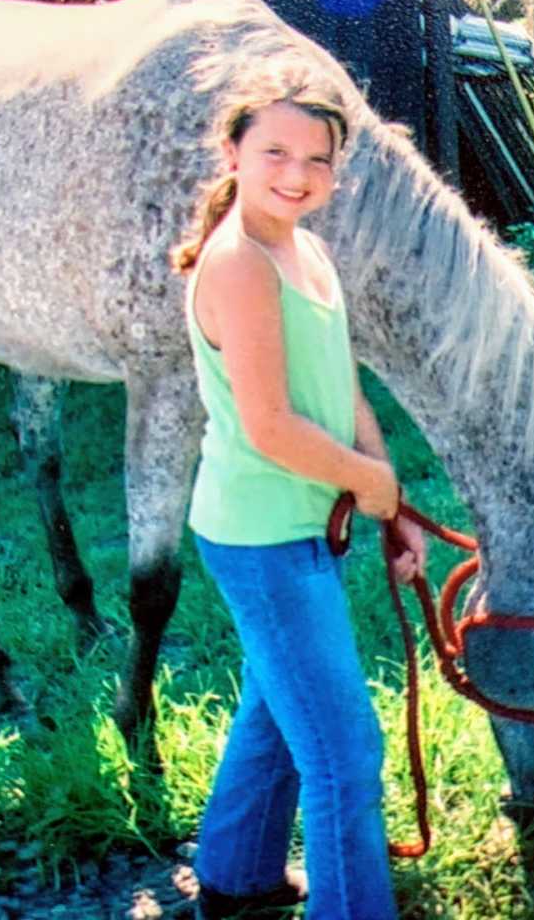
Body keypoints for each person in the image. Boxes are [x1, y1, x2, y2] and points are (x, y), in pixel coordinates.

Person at [172, 64, 426, 920]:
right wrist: (370, 484)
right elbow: (273, 426)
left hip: (310, 521)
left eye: (318, 159)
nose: (296, 172)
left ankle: (234, 878)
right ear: (234, 150)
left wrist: (386, 497)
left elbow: (338, 386)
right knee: (345, 757)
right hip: (262, 536)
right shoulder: (241, 264)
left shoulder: (303, 249)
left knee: (283, 713)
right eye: (275, 150)